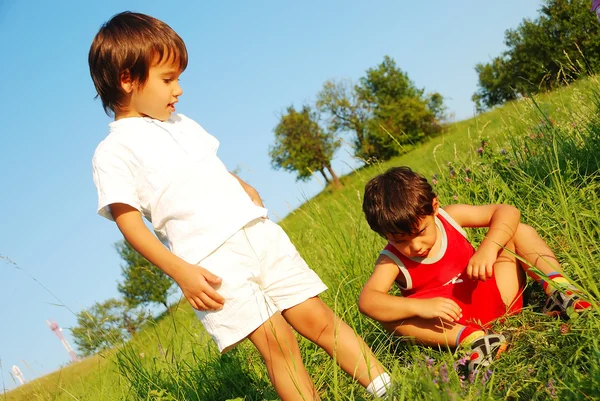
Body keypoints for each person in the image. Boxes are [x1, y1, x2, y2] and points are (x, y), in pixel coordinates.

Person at [88, 11, 390, 401]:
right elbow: (129, 225)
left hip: (258, 235)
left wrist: (240, 183)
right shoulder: (113, 152)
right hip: (212, 263)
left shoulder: (181, 122)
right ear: (127, 79)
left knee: (317, 317)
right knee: (279, 344)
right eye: (167, 79)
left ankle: (391, 387)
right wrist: (181, 273)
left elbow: (205, 166)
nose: (178, 89)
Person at [359, 166, 592, 373]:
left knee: (518, 230)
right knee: (391, 319)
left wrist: (488, 249)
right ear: (384, 234)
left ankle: (561, 292)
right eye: (400, 241)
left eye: (420, 233)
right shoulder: (391, 260)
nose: (415, 246)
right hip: (453, 326)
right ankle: (479, 341)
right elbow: (368, 301)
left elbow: (507, 211)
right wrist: (420, 307)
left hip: (500, 297)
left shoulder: (451, 218)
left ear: (434, 207)